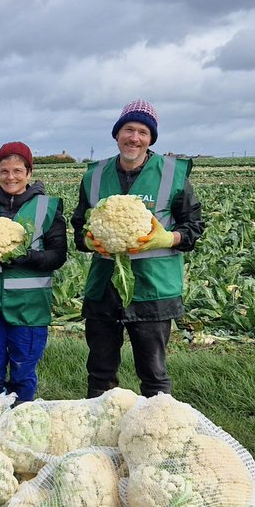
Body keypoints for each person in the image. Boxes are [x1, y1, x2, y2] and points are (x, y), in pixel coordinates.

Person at [70, 100, 205, 397]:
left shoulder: (172, 173)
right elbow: (79, 227)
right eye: (128, 129)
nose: (134, 137)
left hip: (153, 288)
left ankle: (156, 434)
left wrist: (167, 239)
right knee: (100, 371)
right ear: (117, 134)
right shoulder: (94, 175)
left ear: (151, 139)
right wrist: (87, 239)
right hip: (104, 288)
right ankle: (101, 430)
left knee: (154, 374)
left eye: (143, 132)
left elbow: (194, 228)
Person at [0, 141, 68, 403]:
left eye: (18, 171)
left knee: (23, 369)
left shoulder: (47, 206)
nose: (11, 177)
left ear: (29, 173)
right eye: (4, 171)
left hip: (29, 307)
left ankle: (20, 417)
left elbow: (57, 256)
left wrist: (25, 256)